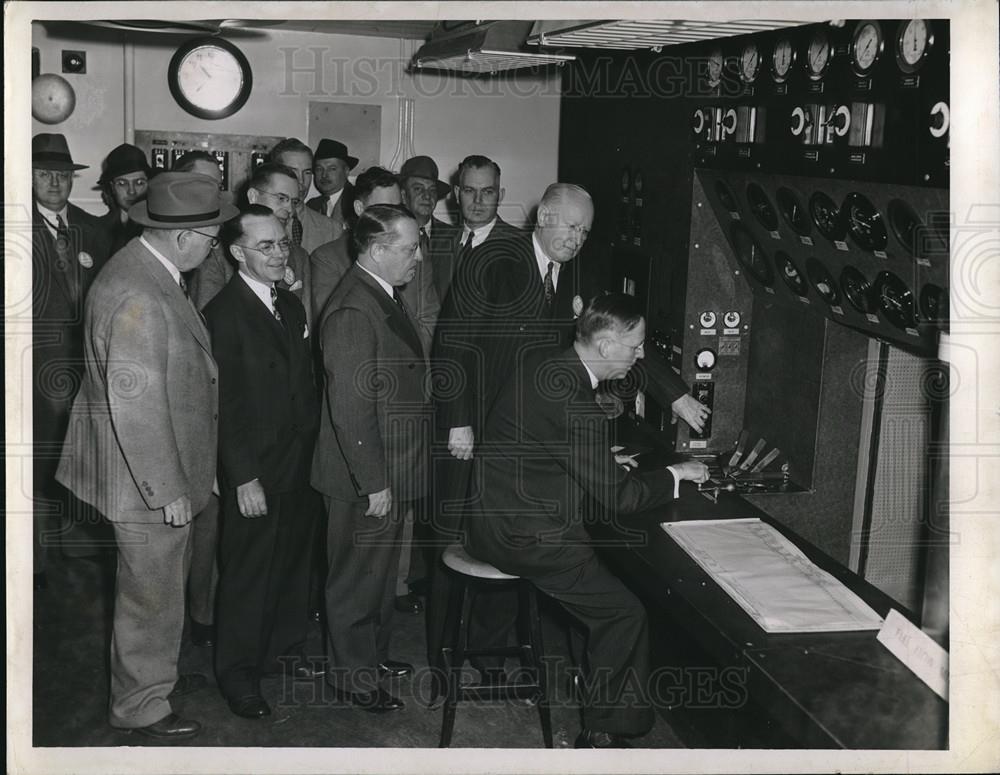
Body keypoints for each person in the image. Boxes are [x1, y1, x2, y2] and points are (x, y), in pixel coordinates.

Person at [464, 292, 710, 748]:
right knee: (625, 613)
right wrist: (677, 473)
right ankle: (604, 732)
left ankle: (596, 690)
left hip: (493, 518)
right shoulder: (577, 404)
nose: (639, 356)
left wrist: (597, 458)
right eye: (634, 347)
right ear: (604, 346)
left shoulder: (546, 367)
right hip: (525, 537)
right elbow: (621, 497)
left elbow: (544, 445)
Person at [56, 172, 238, 740]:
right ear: (182, 239)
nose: (213, 249)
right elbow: (137, 408)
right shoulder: (138, 294)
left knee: (156, 589)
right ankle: (140, 705)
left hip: (147, 465)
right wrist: (169, 491)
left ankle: (153, 680)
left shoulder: (146, 269)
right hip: (142, 475)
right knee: (150, 595)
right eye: (212, 240)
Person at [426, 182, 594, 681]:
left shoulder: (570, 274)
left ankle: (493, 657)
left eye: (584, 230)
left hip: (524, 444)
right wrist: (458, 420)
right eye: (569, 224)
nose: (576, 237)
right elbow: (451, 344)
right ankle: (442, 663)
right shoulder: (494, 259)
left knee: (507, 543)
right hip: (470, 432)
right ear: (543, 215)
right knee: (453, 542)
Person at [311, 204, 431, 713]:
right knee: (355, 583)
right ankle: (351, 678)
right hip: (365, 474)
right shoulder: (353, 311)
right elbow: (351, 410)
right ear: (377, 250)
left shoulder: (382, 294)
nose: (419, 258)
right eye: (410, 248)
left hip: (391, 466)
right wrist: (375, 482)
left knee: (378, 580)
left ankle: (371, 659)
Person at [203, 206, 323, 719]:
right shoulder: (222, 314)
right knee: (249, 571)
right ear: (237, 252)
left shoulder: (290, 307)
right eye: (266, 246)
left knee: (292, 565)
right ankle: (238, 674)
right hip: (256, 469)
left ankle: (277, 652)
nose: (280, 254)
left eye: (283, 244)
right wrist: (243, 476)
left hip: (298, 461)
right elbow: (224, 404)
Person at [31, 133, 111, 588]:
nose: (55, 183)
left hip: (86, 370)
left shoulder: (92, 227)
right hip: (35, 372)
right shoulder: (15, 229)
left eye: (62, 175)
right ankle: (37, 565)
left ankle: (81, 551)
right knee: (38, 465)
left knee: (84, 458)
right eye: (45, 175)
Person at [310, 167, 439, 353]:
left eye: (398, 208)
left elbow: (430, 320)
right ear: (359, 209)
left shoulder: (414, 252)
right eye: (383, 210)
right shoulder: (327, 260)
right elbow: (337, 334)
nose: (395, 217)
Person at [434, 154, 523, 303]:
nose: (478, 200)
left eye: (487, 192)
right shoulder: (437, 245)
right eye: (469, 190)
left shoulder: (521, 246)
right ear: (457, 194)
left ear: (500, 196)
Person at [398, 155, 459, 308]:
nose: (427, 195)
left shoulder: (456, 237)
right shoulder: (391, 236)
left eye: (432, 190)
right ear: (404, 196)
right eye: (418, 189)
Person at [268, 137, 338, 253]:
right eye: (292, 172)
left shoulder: (331, 229)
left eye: (307, 172)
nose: (301, 181)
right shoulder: (254, 224)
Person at [96, 143, 151, 255]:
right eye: (122, 183)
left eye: (139, 183)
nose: (132, 191)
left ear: (148, 184)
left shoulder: (159, 229)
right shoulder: (96, 229)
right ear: (112, 187)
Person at [307, 138, 357, 235]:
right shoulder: (312, 206)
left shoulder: (358, 202)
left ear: (346, 171)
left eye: (332, 169)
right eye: (319, 169)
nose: (324, 175)